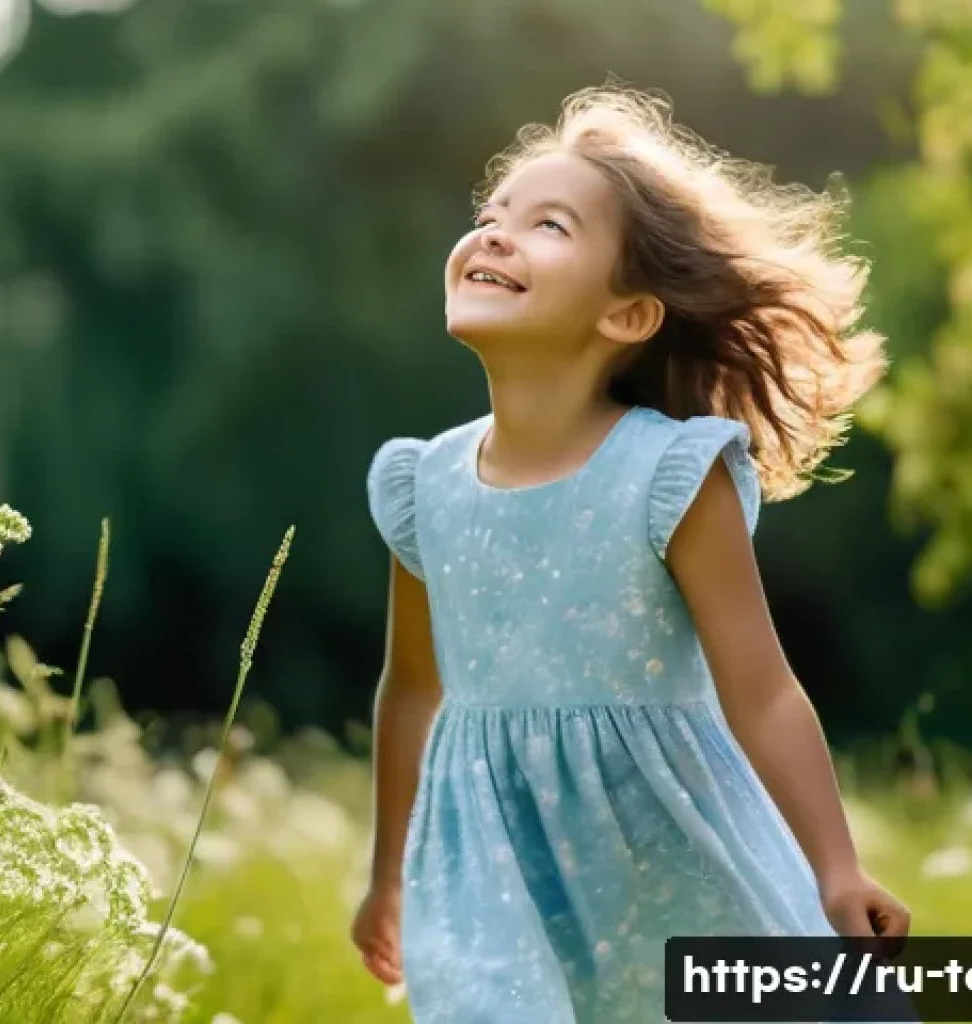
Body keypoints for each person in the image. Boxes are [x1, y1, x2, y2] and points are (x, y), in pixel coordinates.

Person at [350, 83, 911, 1022]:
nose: (492, 235)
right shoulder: (425, 488)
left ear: (630, 315)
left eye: (548, 226)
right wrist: (388, 878)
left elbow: (763, 689)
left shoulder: (668, 474)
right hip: (488, 871)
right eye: (489, 216)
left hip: (669, 852)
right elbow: (413, 689)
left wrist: (835, 865)